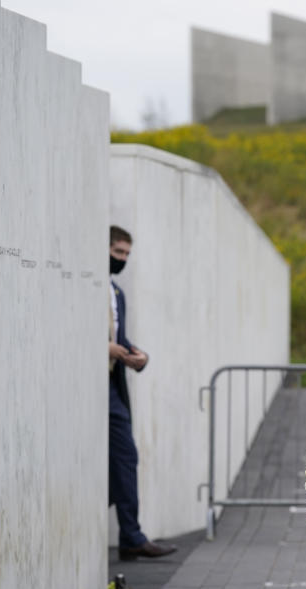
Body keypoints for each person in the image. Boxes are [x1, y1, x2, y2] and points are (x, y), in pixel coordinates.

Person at [109, 225, 177, 560]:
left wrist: (138, 356)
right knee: (122, 458)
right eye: (118, 252)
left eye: (126, 254)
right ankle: (131, 536)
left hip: (112, 385)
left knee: (125, 458)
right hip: (98, 388)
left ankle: (130, 536)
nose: (122, 260)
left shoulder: (116, 292)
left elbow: (119, 339)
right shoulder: (91, 288)